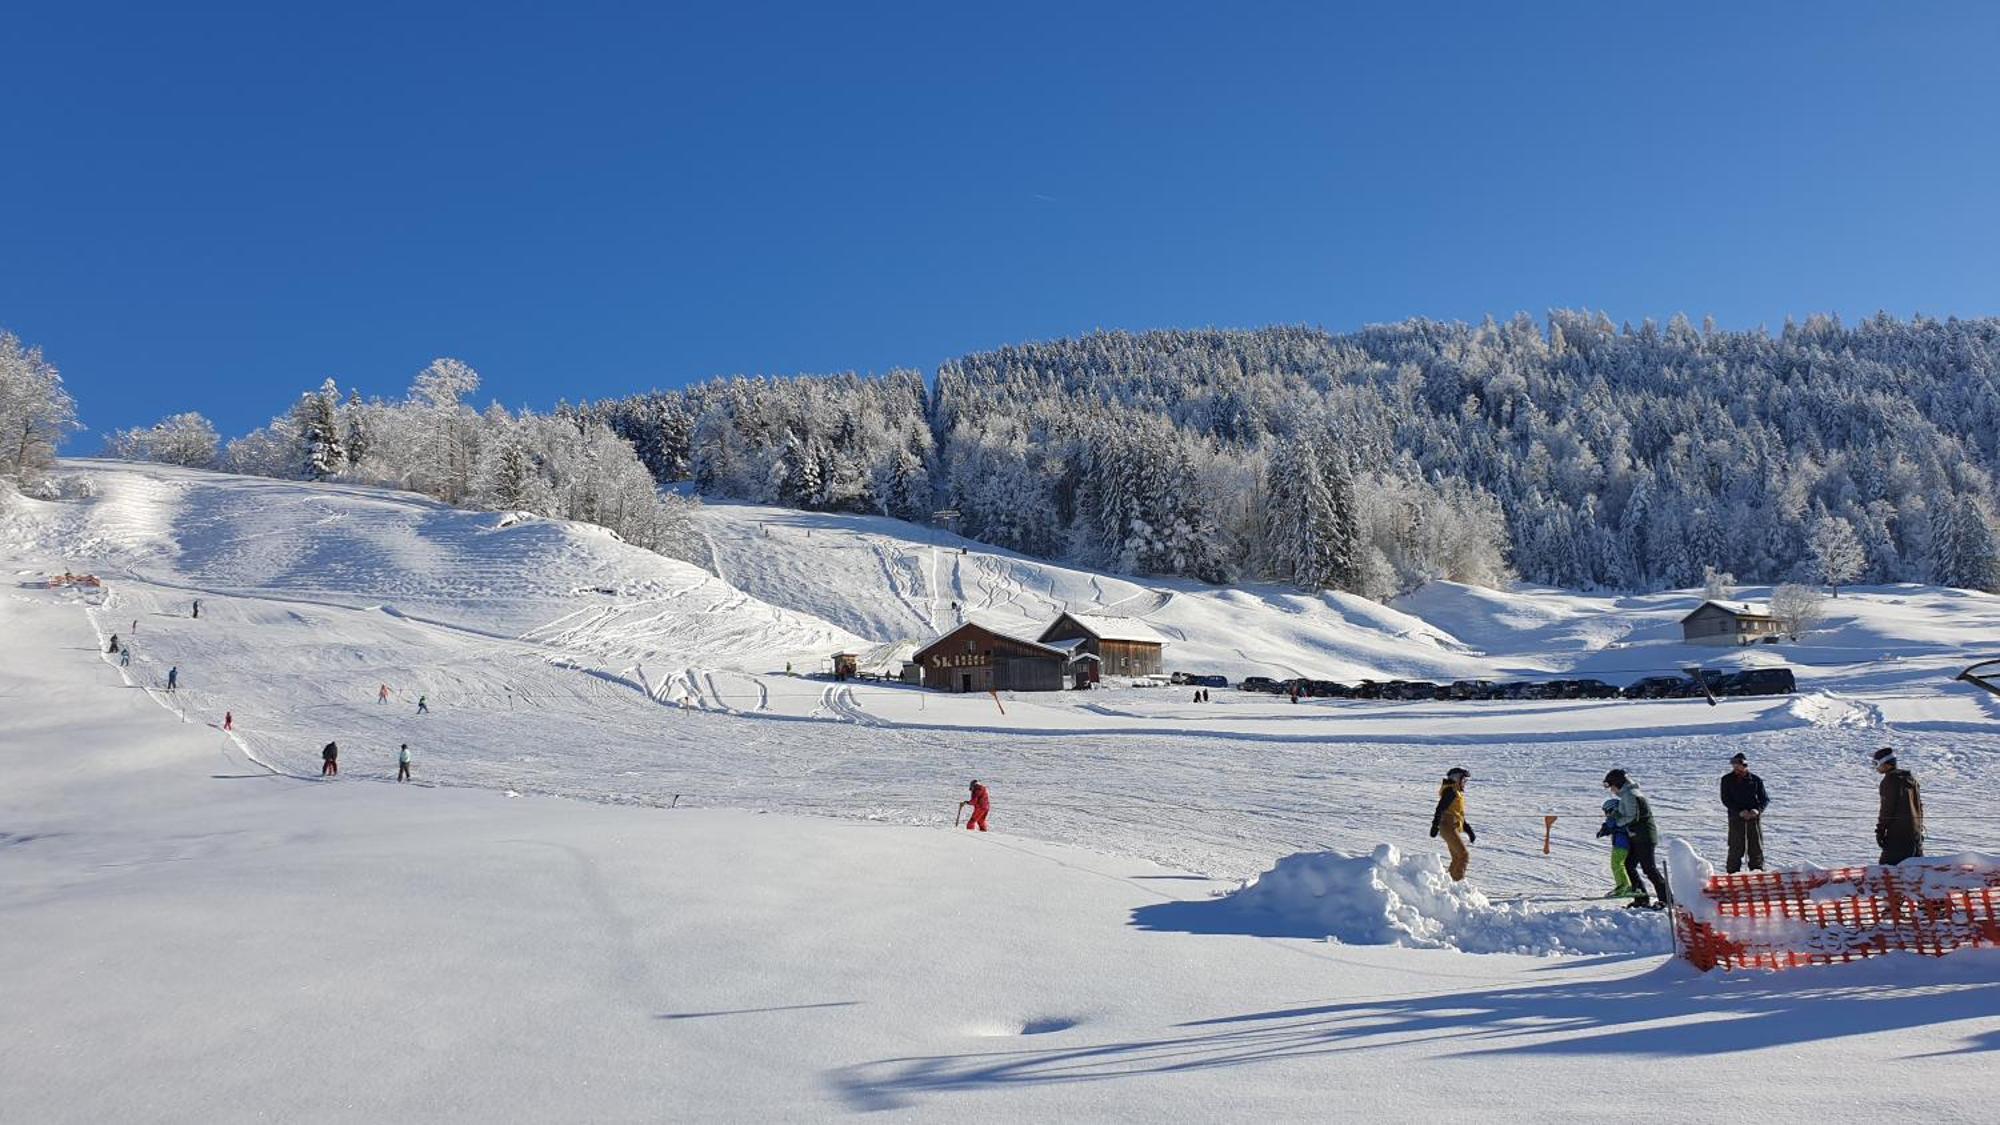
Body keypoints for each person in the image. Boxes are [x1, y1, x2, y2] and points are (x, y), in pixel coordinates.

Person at [1604, 769, 1670, 908]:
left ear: (1618, 783)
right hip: (1637, 836)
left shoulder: (1631, 795)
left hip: (1644, 837)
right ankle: (1641, 898)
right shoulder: (1627, 795)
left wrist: (1615, 822)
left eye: (1612, 787)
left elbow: (1631, 817)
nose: (1612, 790)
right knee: (1629, 865)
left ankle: (1666, 900)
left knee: (1649, 869)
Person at [1719, 752, 1769, 873]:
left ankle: (1757, 872)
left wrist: (1757, 810)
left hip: (1753, 818)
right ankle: (1732, 873)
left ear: (1745, 765)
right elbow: (1726, 799)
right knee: (1736, 848)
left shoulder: (1756, 780)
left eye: (1738, 765)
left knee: (1755, 848)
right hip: (1736, 818)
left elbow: (1764, 799)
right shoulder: (1726, 780)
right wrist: (1739, 811)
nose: (1736, 767)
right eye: (1734, 765)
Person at [1873, 747, 1924, 864]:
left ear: (1887, 764)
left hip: (1897, 836)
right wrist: (1919, 829)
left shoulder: (1889, 781)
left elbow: (1887, 809)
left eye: (1876, 763)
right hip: (1914, 836)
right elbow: (1919, 807)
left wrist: (1880, 830)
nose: (1875, 768)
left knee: (1887, 871)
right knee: (1915, 873)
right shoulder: (1911, 779)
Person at [1429, 767, 1475, 881]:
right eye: (1463, 780)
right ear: (1456, 779)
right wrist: (1434, 825)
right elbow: (1440, 808)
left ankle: (1450, 883)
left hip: (1451, 826)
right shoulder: (1451, 792)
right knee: (1463, 856)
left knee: (1457, 857)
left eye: (1466, 781)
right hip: (1448, 826)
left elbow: (1458, 815)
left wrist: (1469, 830)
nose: (1465, 783)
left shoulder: (1456, 792)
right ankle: (1457, 884)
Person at [1595, 798, 1637, 898]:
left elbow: (1612, 825)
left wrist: (1605, 828)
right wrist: (1604, 829)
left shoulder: (1617, 818)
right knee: (1620, 865)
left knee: (1617, 864)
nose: (1606, 814)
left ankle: (1623, 886)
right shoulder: (1621, 818)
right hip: (1622, 844)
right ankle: (1626, 885)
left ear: (1613, 809)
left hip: (1621, 845)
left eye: (1607, 811)